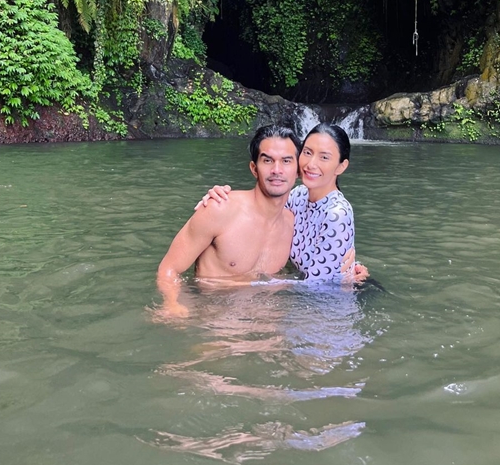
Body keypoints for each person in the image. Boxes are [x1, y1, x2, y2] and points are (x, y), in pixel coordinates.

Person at [156, 124, 301, 319]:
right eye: (267, 160)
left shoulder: (294, 224)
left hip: (266, 322)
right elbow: (169, 268)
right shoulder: (220, 208)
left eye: (286, 161)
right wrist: (172, 304)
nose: (277, 170)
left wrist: (353, 272)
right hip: (214, 321)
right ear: (254, 168)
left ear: (298, 170)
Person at [197, 123, 365, 282]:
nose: (311, 164)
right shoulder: (297, 196)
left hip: (328, 304)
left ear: (341, 167)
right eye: (307, 152)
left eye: (324, 157)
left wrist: (253, 282)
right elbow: (264, 215)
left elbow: (318, 288)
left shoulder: (337, 214)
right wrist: (221, 197)